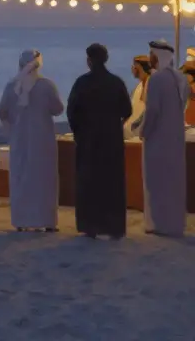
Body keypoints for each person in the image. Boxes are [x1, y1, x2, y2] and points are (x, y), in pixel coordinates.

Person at [66, 43, 133, 239]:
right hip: (111, 142)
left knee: (89, 183)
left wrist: (79, 133)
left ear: (89, 60)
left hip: (88, 142)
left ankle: (90, 226)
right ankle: (114, 227)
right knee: (112, 183)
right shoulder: (116, 82)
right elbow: (127, 111)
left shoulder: (82, 83)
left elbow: (71, 111)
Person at [0, 49, 64, 232]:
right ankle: (47, 221)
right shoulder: (46, 85)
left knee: (21, 178)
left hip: (19, 140)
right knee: (44, 179)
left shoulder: (11, 86)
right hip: (43, 142)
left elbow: (2, 112)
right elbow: (58, 109)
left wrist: (12, 128)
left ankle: (21, 220)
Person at [140, 39, 190, 237]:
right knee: (174, 181)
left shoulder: (157, 79)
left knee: (157, 181)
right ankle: (174, 223)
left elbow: (152, 110)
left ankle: (159, 223)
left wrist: (144, 131)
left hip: (158, 140)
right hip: (175, 139)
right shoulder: (181, 78)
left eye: (151, 55)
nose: (149, 59)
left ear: (158, 56)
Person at [124, 55, 151, 140]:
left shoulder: (150, 84)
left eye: (134, 66)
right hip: (130, 132)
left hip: (139, 133)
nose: (132, 69)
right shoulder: (138, 87)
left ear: (138, 67)